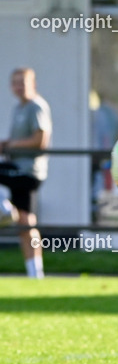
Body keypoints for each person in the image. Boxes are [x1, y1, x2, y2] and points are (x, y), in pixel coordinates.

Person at [0, 67, 51, 278]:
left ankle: (4, 209)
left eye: (23, 82)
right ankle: (34, 273)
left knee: (26, 221)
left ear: (33, 84)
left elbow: (41, 141)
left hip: (27, 171)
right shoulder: (18, 108)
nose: (19, 87)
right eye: (15, 83)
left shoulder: (36, 106)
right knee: (25, 221)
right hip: (17, 168)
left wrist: (11, 145)